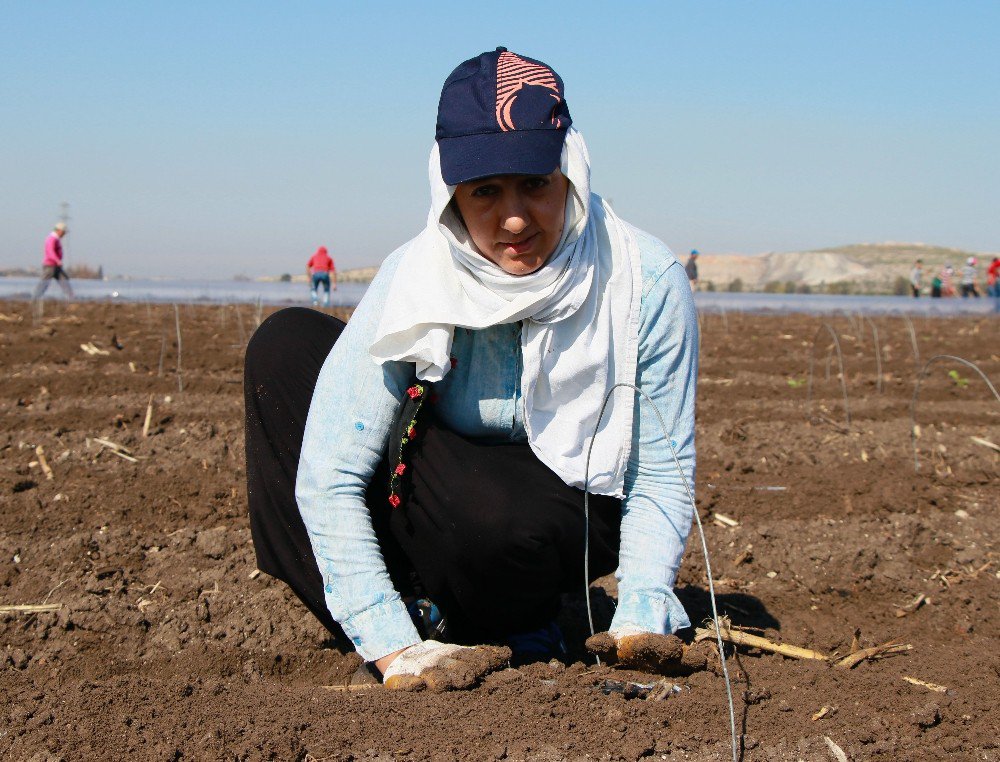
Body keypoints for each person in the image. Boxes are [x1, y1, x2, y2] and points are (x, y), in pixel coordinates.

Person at [244, 48, 702, 691]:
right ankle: (417, 623)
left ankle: (522, 623)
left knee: (497, 514)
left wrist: (640, 620)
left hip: (557, 512)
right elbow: (330, 474)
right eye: (485, 192)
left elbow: (660, 474)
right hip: (448, 495)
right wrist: (389, 644)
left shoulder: (642, 282)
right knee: (285, 348)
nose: (514, 218)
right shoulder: (417, 277)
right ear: (450, 192)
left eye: (535, 184)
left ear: (569, 171)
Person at [32, 222, 74, 300]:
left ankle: (71, 299)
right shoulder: (51, 239)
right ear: (59, 231)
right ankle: (35, 299)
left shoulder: (56, 239)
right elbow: (50, 251)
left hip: (56, 266)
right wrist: (57, 260)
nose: (64, 234)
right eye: (64, 232)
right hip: (50, 266)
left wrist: (58, 262)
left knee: (65, 281)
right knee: (44, 283)